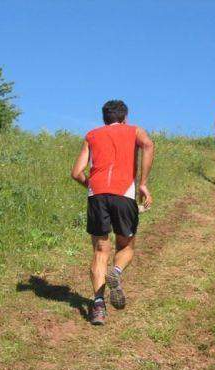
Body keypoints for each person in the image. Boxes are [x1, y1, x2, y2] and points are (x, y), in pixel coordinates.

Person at [71, 100, 154, 325]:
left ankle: (98, 305)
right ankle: (116, 272)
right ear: (124, 117)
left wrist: (92, 185)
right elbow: (148, 145)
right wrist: (143, 183)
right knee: (126, 245)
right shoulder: (134, 130)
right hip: (124, 194)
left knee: (100, 250)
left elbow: (76, 172)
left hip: (97, 195)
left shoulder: (91, 135)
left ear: (104, 119)